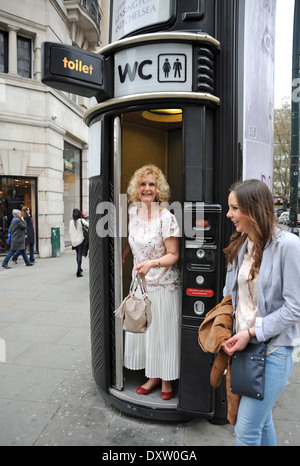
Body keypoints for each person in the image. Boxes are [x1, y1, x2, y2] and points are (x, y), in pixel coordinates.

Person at [222, 179, 300, 446]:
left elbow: (295, 308)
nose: (229, 214)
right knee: (261, 423)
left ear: (253, 209)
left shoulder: (287, 245)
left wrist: (252, 332)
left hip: (273, 353)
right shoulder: (242, 245)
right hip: (245, 352)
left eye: (234, 208)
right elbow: (231, 295)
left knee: (245, 431)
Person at [122, 165, 181, 400]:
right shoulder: (132, 213)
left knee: (162, 336)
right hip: (139, 286)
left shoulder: (167, 218)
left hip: (162, 286)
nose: (147, 188)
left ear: (159, 189)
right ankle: (153, 377)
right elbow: (135, 238)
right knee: (146, 335)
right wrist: (125, 252)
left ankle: (166, 380)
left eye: (152, 184)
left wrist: (152, 263)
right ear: (137, 188)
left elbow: (174, 254)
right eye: (143, 184)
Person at [69, 208, 89, 277]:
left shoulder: (71, 222)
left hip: (74, 242)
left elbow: (70, 232)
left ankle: (79, 268)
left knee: (78, 254)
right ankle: (78, 271)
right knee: (79, 255)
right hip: (80, 241)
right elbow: (89, 225)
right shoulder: (81, 220)